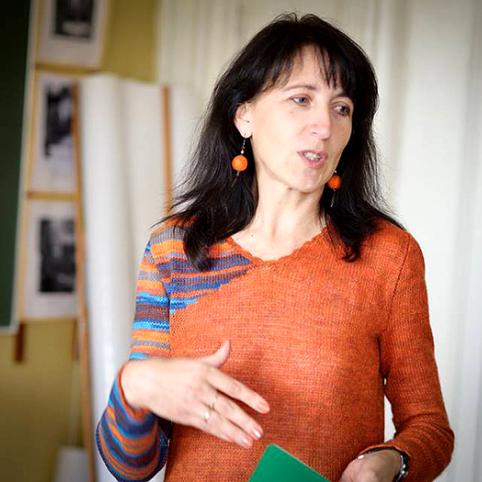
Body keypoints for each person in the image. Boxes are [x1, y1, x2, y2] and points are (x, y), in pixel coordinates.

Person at [96, 13, 454, 482]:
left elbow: (429, 427)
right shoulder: (174, 250)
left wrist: (388, 462)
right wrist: (133, 385)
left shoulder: (389, 256)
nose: (323, 126)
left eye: (342, 108)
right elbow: (130, 467)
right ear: (244, 114)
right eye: (301, 100)